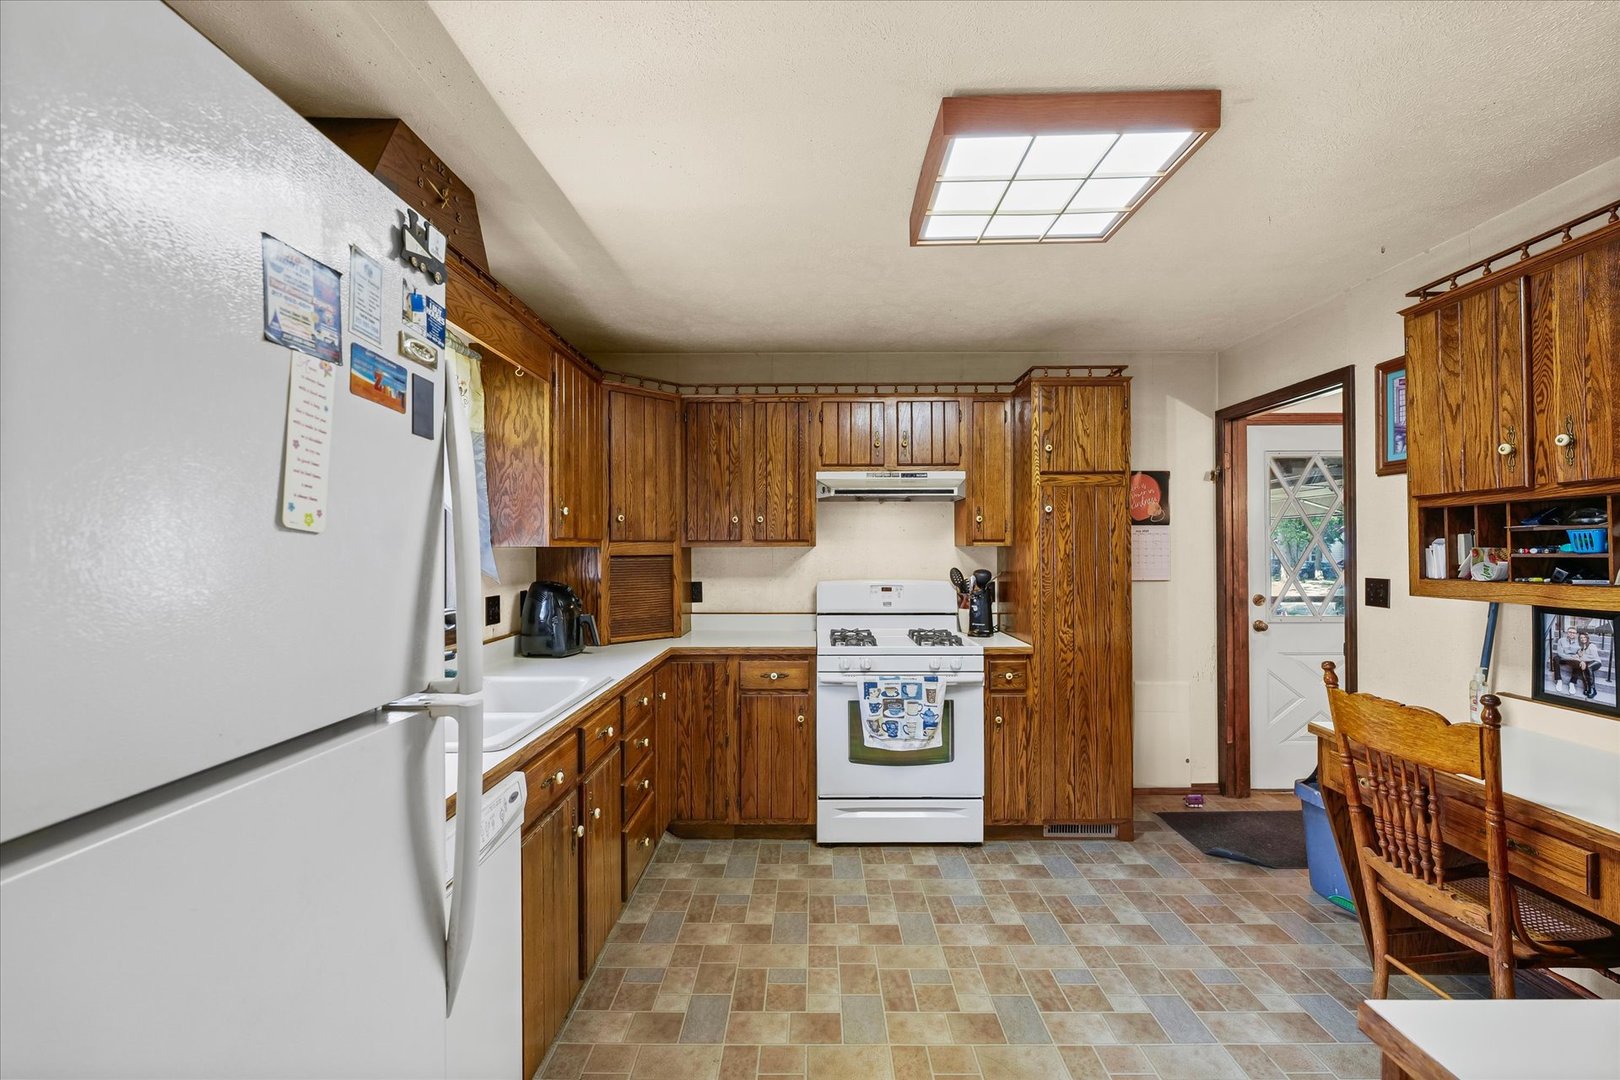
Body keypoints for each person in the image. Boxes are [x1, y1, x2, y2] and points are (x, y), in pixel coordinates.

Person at [1552, 625, 1585, 694]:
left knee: (1578, 663)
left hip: (1572, 660)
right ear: (1567, 633)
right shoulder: (1561, 640)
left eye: (1574, 633)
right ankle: (1559, 680)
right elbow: (1560, 653)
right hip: (1563, 658)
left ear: (1576, 634)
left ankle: (1572, 683)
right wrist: (1572, 657)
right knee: (1555, 658)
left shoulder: (1579, 642)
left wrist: (1578, 655)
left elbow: (1579, 654)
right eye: (1570, 632)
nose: (1572, 634)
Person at [1576, 631, 1601, 700]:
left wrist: (1582, 660)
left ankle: (1593, 689)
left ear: (1587, 638)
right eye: (1581, 638)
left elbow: (1593, 656)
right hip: (1587, 663)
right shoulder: (1581, 648)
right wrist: (1581, 661)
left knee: (1588, 667)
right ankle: (1588, 688)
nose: (1583, 639)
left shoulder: (1592, 646)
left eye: (1584, 637)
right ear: (1579, 639)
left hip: (1596, 662)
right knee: (1583, 668)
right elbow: (1578, 656)